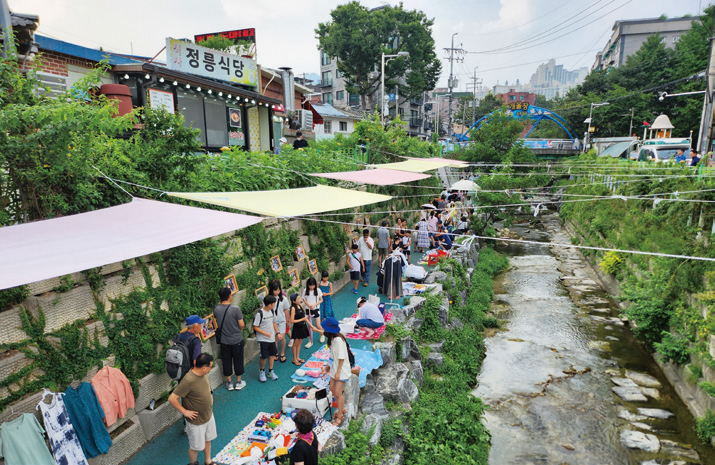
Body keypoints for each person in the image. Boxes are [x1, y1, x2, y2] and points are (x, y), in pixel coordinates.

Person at [169, 353, 216, 465]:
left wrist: (210, 394)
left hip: (208, 415)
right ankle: (193, 463)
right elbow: (172, 398)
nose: (210, 369)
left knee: (208, 439)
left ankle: (208, 461)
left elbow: (206, 384)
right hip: (196, 421)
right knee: (195, 446)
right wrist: (185, 412)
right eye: (210, 367)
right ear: (204, 367)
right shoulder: (188, 380)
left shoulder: (202, 374)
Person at [321, 318, 358, 426]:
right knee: (332, 389)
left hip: (340, 369)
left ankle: (340, 415)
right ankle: (341, 409)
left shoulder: (337, 339)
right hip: (334, 367)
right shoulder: (334, 337)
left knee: (337, 392)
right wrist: (329, 365)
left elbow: (341, 357)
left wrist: (337, 372)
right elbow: (333, 355)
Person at [213, 288, 246, 392]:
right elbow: (241, 324)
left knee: (226, 361)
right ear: (229, 296)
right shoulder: (235, 309)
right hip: (236, 340)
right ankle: (239, 382)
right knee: (238, 360)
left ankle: (229, 383)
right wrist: (238, 329)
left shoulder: (216, 309)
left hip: (224, 341)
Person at [253, 295, 283, 382]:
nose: (274, 305)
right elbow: (255, 327)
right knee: (263, 357)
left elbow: (274, 323)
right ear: (269, 304)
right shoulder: (260, 314)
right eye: (273, 303)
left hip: (271, 338)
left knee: (272, 355)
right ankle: (262, 371)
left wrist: (277, 333)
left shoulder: (272, 311)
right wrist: (264, 333)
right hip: (262, 339)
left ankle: (270, 371)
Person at [290, 293, 322, 365]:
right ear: (293, 301)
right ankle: (294, 359)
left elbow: (306, 319)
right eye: (297, 299)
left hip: (302, 326)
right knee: (295, 343)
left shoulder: (300, 306)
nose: (299, 299)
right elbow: (292, 320)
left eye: (299, 298)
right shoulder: (293, 308)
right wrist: (302, 319)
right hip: (297, 327)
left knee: (300, 342)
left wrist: (311, 326)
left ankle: (298, 357)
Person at [269, 280, 290, 363]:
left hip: (281, 321)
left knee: (282, 337)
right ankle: (275, 352)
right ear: (271, 290)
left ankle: (282, 352)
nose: (277, 292)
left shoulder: (283, 299)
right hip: (271, 322)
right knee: (274, 338)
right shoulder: (268, 299)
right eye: (275, 290)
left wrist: (287, 321)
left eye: (278, 290)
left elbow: (285, 311)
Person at [302, 277, 324, 347]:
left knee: (318, 325)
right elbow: (304, 299)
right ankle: (310, 341)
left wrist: (315, 304)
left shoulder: (318, 290)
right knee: (309, 326)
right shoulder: (305, 290)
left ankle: (322, 334)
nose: (311, 287)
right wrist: (308, 304)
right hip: (308, 310)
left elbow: (321, 300)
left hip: (316, 309)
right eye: (310, 285)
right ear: (307, 285)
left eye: (313, 285)